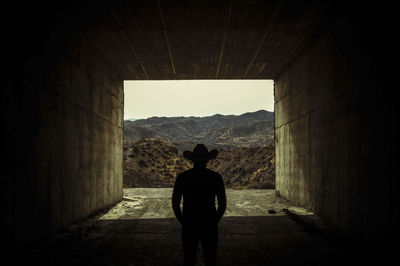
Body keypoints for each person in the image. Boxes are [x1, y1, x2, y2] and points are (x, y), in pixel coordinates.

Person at [172, 144, 226, 266]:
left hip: (189, 223)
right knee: (210, 258)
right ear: (207, 160)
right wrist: (214, 221)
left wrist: (183, 221)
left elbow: (175, 203)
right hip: (209, 224)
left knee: (189, 258)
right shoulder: (216, 177)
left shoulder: (183, 177)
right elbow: (222, 204)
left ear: (192, 160)